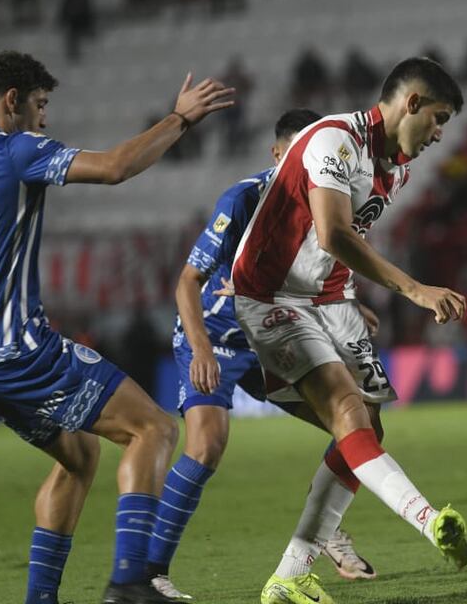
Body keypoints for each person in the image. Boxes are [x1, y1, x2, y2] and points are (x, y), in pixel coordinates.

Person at [0, 51, 232, 604]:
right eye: (40, 105)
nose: (44, 119)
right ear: (11, 102)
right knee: (154, 429)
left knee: (79, 456)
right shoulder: (15, 149)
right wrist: (182, 119)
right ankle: (129, 582)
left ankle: (41, 599)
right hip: (19, 350)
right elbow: (116, 166)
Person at [232, 57, 467, 604]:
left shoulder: (396, 168)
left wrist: (348, 302)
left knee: (368, 427)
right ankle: (429, 520)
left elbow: (333, 250)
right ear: (411, 103)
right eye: (438, 119)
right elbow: (335, 233)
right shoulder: (333, 140)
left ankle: (291, 573)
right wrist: (416, 290)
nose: (439, 135)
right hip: (271, 294)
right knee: (346, 410)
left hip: (328, 297)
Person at [147, 109, 382, 600]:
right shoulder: (242, 198)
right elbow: (187, 282)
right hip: (218, 338)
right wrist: (200, 348)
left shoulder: (327, 205)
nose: (310, 163)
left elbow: (320, 275)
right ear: (279, 154)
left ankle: (324, 529)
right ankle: (149, 574)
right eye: (299, 152)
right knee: (206, 446)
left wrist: (352, 304)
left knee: (359, 427)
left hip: (274, 340)